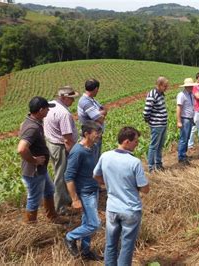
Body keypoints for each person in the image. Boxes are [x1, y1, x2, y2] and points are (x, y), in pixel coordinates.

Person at [93, 127, 150, 266]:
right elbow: (145, 189)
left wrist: (108, 184)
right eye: (135, 141)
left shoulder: (105, 156)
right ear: (126, 141)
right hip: (130, 209)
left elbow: (96, 175)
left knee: (110, 244)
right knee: (126, 246)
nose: (137, 143)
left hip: (112, 208)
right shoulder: (134, 162)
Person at [17, 96, 68, 224]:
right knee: (34, 199)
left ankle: (53, 216)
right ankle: (31, 227)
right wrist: (34, 161)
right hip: (34, 170)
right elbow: (22, 149)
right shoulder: (32, 128)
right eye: (46, 109)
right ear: (40, 110)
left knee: (49, 190)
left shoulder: (32, 122)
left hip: (41, 169)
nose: (48, 112)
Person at [64, 121, 103, 261]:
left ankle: (85, 251)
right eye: (96, 133)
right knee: (94, 224)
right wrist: (75, 199)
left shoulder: (94, 147)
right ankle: (70, 237)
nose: (99, 135)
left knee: (87, 222)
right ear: (86, 134)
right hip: (85, 192)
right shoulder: (77, 152)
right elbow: (68, 177)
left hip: (94, 189)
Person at [44, 86, 80, 214]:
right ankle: (60, 207)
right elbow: (67, 139)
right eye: (71, 98)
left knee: (59, 172)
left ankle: (66, 199)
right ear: (63, 98)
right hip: (60, 146)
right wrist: (72, 153)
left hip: (51, 143)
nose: (73, 101)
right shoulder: (64, 113)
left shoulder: (51, 104)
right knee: (61, 176)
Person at [77, 79, 107, 161]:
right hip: (91, 136)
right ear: (96, 89)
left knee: (96, 157)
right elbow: (100, 118)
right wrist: (102, 113)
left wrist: (102, 112)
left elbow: (103, 109)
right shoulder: (85, 102)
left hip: (95, 135)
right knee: (93, 159)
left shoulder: (91, 100)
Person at [143, 77, 169, 172]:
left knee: (160, 146)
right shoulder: (152, 94)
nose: (166, 88)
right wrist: (151, 121)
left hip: (162, 124)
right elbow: (146, 112)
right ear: (159, 85)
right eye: (165, 86)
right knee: (153, 146)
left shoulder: (161, 94)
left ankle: (158, 164)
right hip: (156, 125)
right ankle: (151, 167)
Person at [176, 78, 197, 165]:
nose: (191, 87)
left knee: (187, 138)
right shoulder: (181, 95)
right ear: (186, 86)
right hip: (185, 119)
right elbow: (178, 108)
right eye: (190, 86)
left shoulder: (191, 94)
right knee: (183, 139)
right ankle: (181, 157)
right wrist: (179, 121)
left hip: (190, 118)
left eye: (192, 86)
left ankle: (184, 154)